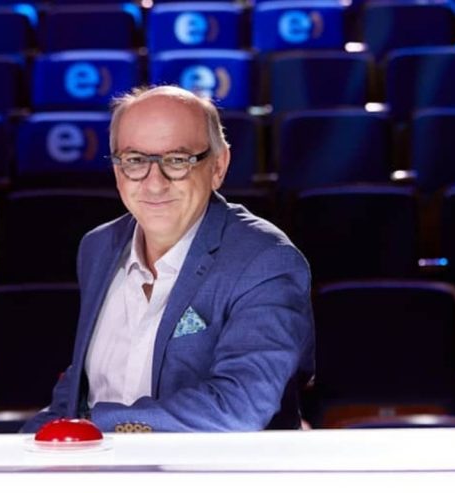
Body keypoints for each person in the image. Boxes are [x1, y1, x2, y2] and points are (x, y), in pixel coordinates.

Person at [22, 85, 314, 433]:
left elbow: (240, 407)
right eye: (135, 161)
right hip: (95, 464)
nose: (154, 183)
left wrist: (95, 426)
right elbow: (81, 387)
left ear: (218, 166)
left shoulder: (266, 260)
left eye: (177, 160)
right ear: (117, 168)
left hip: (215, 470)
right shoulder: (97, 247)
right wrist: (30, 441)